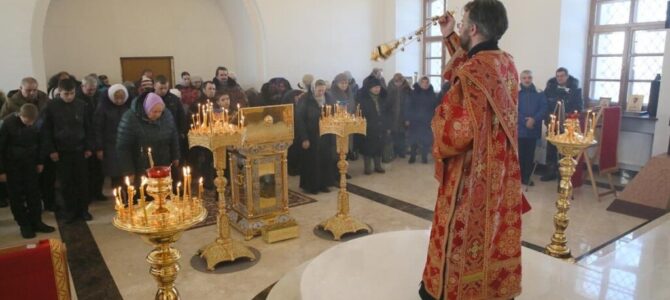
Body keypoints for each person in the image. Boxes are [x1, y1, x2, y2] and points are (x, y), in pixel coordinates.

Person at [419, 1, 522, 299]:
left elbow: (458, 132)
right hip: (500, 169)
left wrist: (437, 121)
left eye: (463, 23)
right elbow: (473, 69)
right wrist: (450, 35)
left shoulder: (476, 70)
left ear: (474, 28)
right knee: (494, 230)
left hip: (471, 173)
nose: (461, 26)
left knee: (462, 237)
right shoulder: (505, 62)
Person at [0, 104, 55, 238]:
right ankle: (24, 224)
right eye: (27, 121)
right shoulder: (7, 124)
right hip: (12, 166)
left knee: (34, 194)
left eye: (32, 121)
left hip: (30, 164)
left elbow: (41, 142)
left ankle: (37, 221)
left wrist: (40, 161)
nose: (30, 124)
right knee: (16, 197)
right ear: (20, 115)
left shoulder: (37, 123)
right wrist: (1, 171)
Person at [42, 79, 94, 223]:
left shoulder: (81, 105)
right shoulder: (51, 107)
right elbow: (46, 130)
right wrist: (51, 150)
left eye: (72, 93)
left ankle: (83, 210)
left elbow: (88, 127)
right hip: (61, 151)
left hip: (80, 149)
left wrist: (89, 147)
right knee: (66, 184)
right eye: (66, 94)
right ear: (59, 92)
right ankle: (69, 211)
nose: (69, 96)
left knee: (82, 182)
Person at [117, 92, 179, 183]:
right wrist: (128, 171)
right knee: (144, 193)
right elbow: (123, 148)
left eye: (160, 112)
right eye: (154, 111)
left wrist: (175, 156)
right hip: (140, 165)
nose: (158, 115)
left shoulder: (167, 115)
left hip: (164, 161)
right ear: (146, 108)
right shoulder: (130, 118)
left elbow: (173, 137)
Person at [541, 67, 583, 181]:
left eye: (562, 76)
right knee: (551, 149)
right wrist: (548, 118)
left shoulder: (575, 90)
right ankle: (551, 172)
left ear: (567, 76)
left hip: (567, 125)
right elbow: (544, 104)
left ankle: (564, 175)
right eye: (558, 76)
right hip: (552, 123)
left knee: (565, 150)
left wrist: (568, 117)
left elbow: (579, 108)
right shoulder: (550, 88)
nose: (560, 78)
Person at [295, 80, 336, 194]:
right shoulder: (305, 100)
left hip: (325, 135)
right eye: (319, 90)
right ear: (313, 89)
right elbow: (300, 120)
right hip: (311, 136)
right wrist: (304, 138)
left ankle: (324, 184)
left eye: (323, 90)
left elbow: (333, 114)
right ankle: (311, 186)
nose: (321, 92)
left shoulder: (328, 98)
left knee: (325, 160)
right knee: (312, 162)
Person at [94, 84, 131, 189]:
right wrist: (99, 148)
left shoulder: (128, 107)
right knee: (115, 174)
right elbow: (98, 129)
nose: (119, 101)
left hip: (127, 145)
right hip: (110, 145)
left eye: (122, 98)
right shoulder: (103, 108)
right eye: (116, 98)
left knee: (127, 173)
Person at [518, 70, 547, 185]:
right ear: (520, 79)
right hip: (520, 129)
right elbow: (513, 108)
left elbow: (543, 108)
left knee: (530, 155)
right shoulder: (516, 92)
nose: (527, 80)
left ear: (532, 78)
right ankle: (517, 177)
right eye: (524, 78)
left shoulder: (539, 93)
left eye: (529, 77)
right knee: (519, 154)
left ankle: (526, 177)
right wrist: (524, 121)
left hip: (533, 129)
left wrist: (534, 119)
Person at [79, 75, 105, 201]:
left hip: (98, 136)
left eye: (94, 89)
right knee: (87, 171)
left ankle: (98, 192)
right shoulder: (78, 100)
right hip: (85, 138)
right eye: (89, 89)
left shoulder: (99, 97)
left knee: (99, 170)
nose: (91, 92)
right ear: (82, 87)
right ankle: (88, 195)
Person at [357, 77, 390, 175]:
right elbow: (360, 113)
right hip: (368, 125)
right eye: (374, 87)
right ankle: (367, 167)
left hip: (381, 125)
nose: (377, 89)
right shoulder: (362, 98)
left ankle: (378, 165)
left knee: (379, 146)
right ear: (369, 88)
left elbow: (388, 112)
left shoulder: (383, 97)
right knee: (368, 147)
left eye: (378, 87)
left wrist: (387, 125)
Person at [405, 76, 438, 164]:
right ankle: (412, 156)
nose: (424, 84)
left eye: (426, 82)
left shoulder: (431, 93)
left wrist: (434, 118)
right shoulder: (413, 92)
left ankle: (424, 157)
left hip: (427, 120)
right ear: (420, 83)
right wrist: (407, 118)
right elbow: (408, 106)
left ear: (428, 83)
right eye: (423, 82)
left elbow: (435, 107)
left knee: (426, 140)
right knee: (413, 139)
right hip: (415, 120)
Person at [386, 73, 411, 160]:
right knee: (394, 135)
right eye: (396, 81)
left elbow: (409, 104)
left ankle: (402, 152)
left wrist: (408, 118)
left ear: (402, 81)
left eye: (400, 81)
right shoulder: (389, 88)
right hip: (393, 115)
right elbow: (387, 104)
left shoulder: (407, 89)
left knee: (402, 135)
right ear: (394, 81)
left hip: (403, 115)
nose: (398, 83)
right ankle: (394, 152)